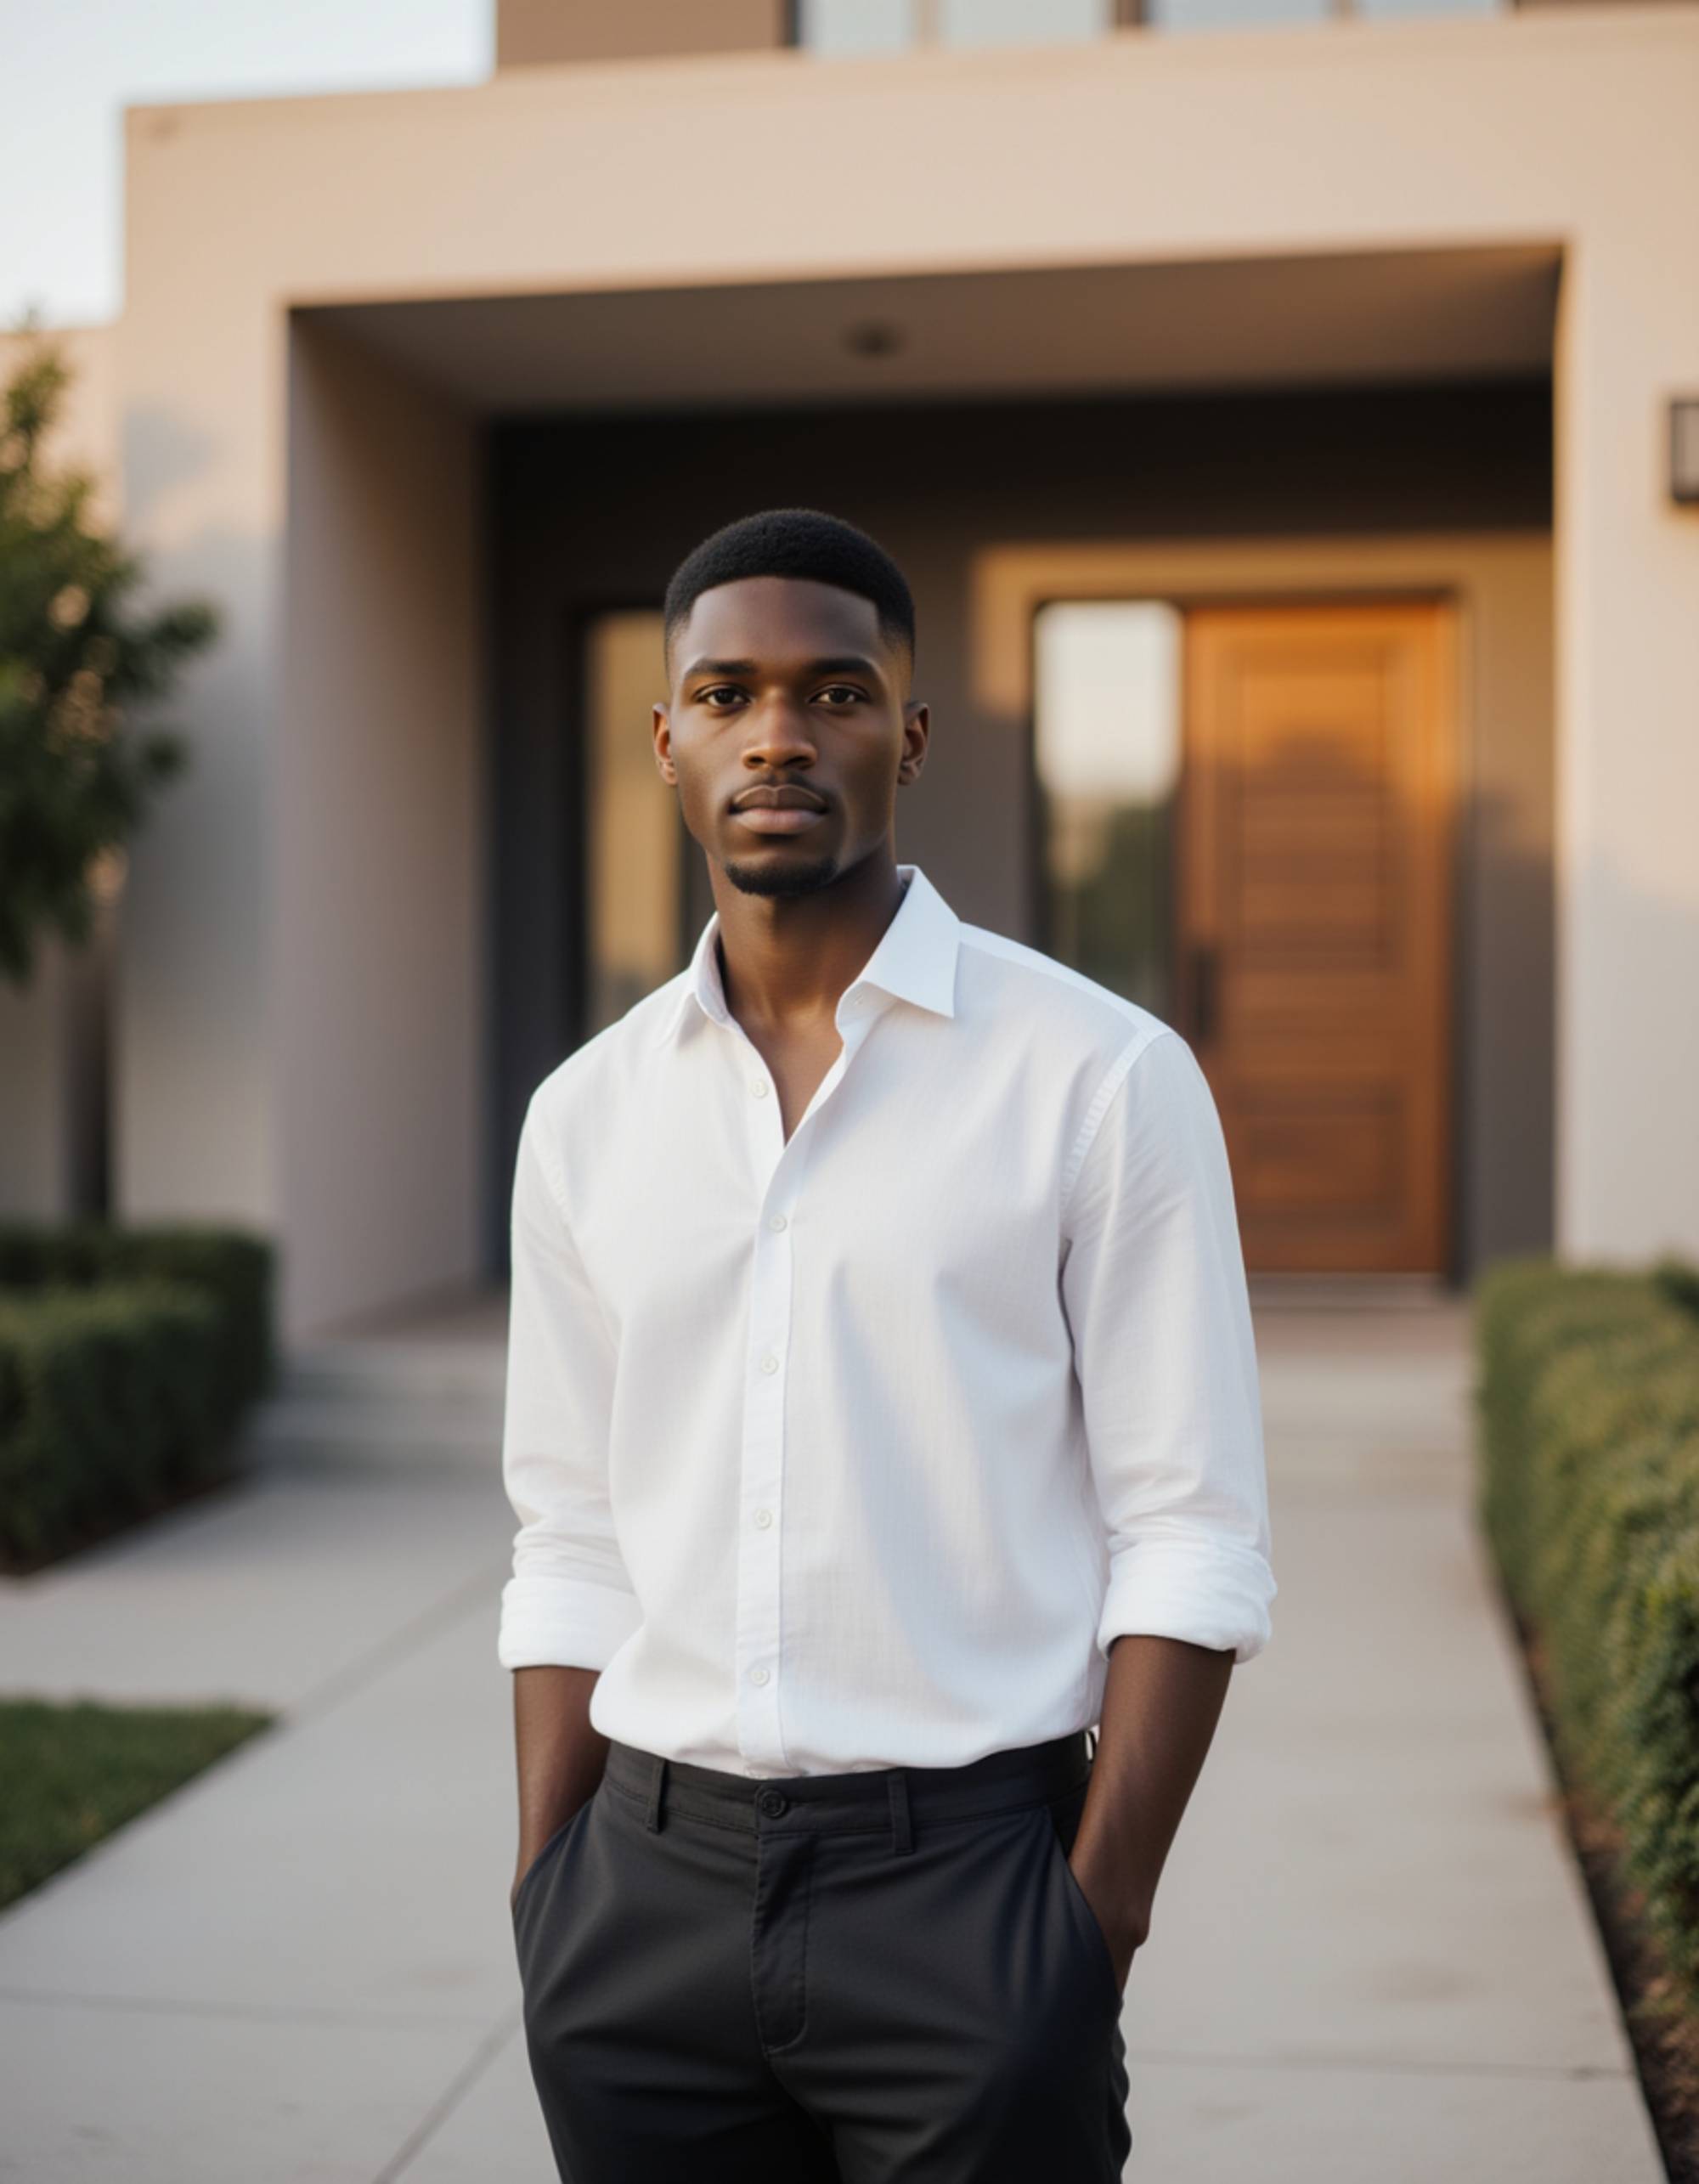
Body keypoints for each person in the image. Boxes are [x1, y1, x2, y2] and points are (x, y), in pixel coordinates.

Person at [499, 506, 1275, 2183]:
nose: (778, 731)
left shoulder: (1098, 1076)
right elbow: (565, 1531)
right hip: (638, 1898)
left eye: (834, 690)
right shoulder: (584, 1116)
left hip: (972, 1893)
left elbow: (1191, 1536)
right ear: (666, 739)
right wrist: (546, 1884)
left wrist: (1088, 1929)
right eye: (726, 692)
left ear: (908, 736)